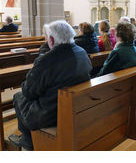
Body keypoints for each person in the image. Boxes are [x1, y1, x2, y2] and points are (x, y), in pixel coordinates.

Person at [8, 20, 93, 151]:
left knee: (18, 96)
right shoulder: (82, 52)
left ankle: (27, 141)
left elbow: (28, 92)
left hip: (50, 114)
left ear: (51, 40)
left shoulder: (46, 60)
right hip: (77, 106)